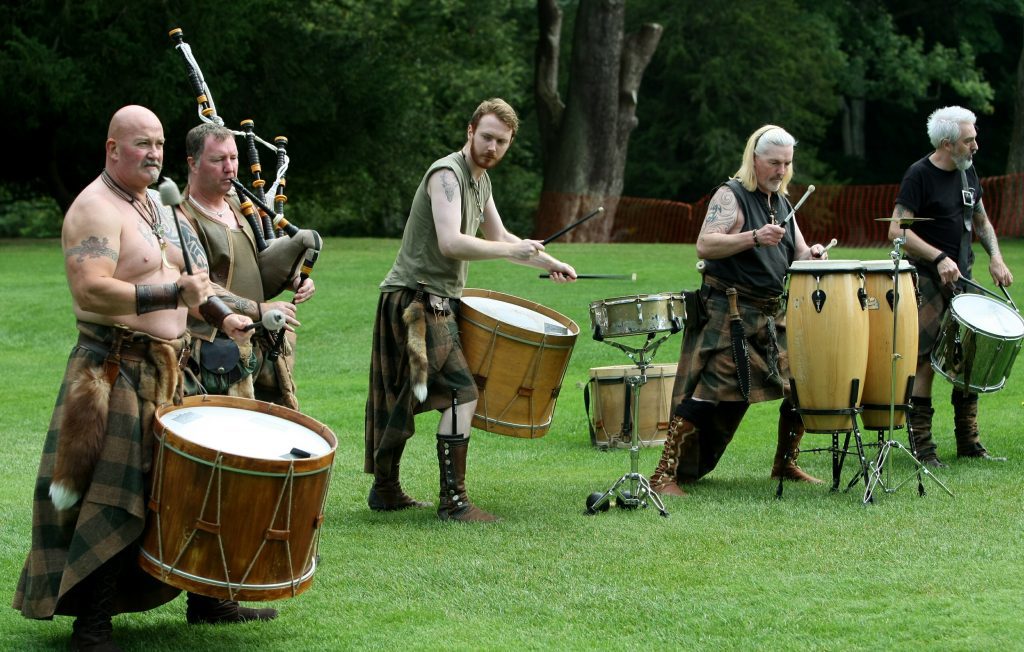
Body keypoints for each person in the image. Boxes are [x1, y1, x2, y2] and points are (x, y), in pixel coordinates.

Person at [12, 106, 274, 652]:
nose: (152, 154)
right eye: (140, 145)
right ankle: (93, 626)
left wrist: (222, 315)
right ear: (112, 148)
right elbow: (91, 289)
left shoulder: (154, 204)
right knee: (115, 494)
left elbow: (184, 276)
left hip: (166, 365)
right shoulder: (95, 209)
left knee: (184, 485)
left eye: (157, 144)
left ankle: (206, 599)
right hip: (113, 368)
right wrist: (170, 296)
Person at [365, 98, 576, 522]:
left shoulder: (482, 182)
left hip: (433, 300)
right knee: (461, 392)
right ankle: (454, 502)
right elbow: (451, 242)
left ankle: (386, 490)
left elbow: (499, 236)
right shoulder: (447, 174)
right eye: (487, 137)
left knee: (404, 397)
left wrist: (548, 262)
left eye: (502, 141)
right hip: (414, 300)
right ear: (470, 131)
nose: (492, 147)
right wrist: (509, 249)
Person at [649, 125, 829, 496]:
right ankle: (663, 475)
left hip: (770, 314)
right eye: (773, 163)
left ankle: (785, 463)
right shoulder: (730, 196)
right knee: (706, 392)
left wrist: (812, 255)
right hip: (728, 312)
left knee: (801, 384)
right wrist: (753, 237)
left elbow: (797, 252)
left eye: (787, 164)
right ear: (754, 159)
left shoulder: (782, 202)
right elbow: (705, 245)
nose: (781, 171)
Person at [889, 105, 1012, 466]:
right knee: (925, 360)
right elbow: (897, 232)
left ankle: (969, 443)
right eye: (969, 140)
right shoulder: (919, 175)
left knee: (969, 359)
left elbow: (982, 221)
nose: (976, 145)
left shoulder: (967, 171)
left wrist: (996, 257)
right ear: (947, 143)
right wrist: (939, 257)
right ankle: (923, 449)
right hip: (925, 279)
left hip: (963, 278)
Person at [178, 122, 317, 409]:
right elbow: (200, 284)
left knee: (271, 435)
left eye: (234, 158)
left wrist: (293, 278)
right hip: (213, 349)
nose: (230, 168)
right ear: (193, 163)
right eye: (218, 160)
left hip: (260, 339)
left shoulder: (238, 204)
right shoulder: (182, 217)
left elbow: (255, 263)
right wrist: (259, 309)